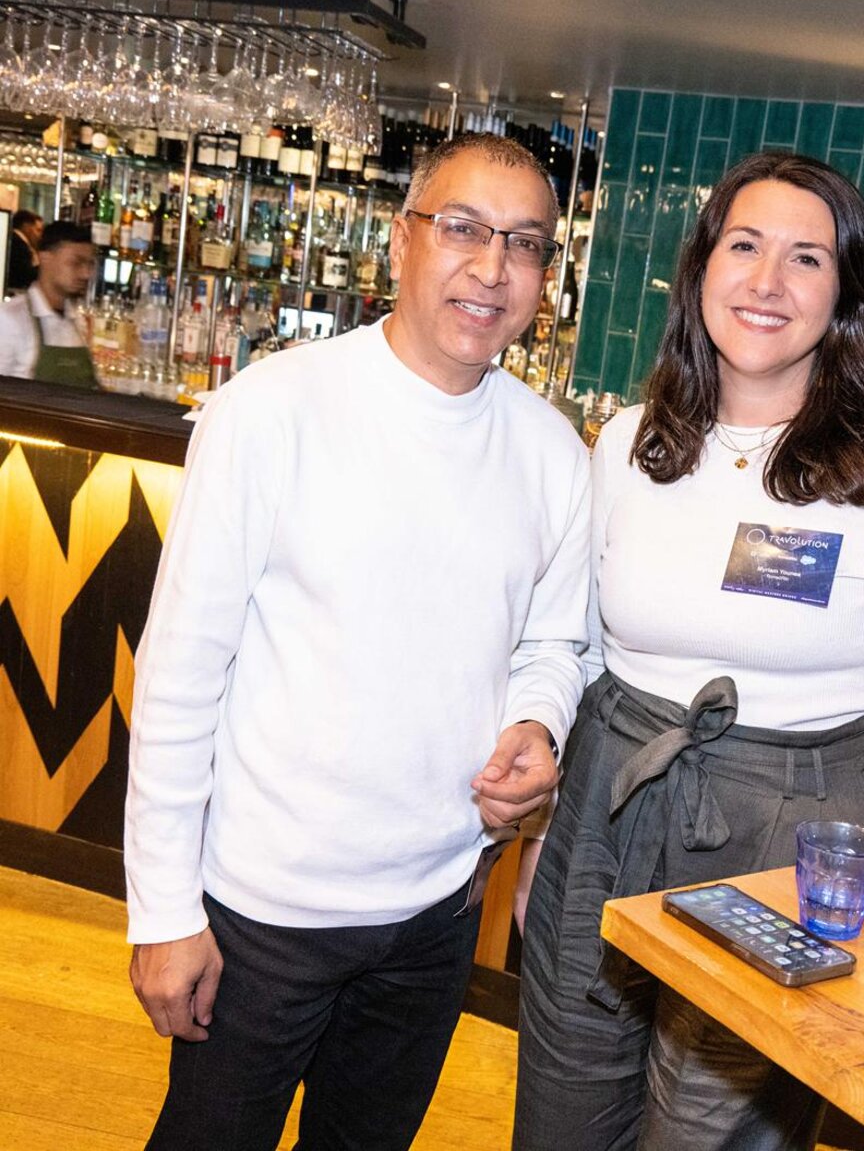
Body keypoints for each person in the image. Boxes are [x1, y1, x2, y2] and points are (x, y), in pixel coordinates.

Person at [515, 151, 864, 1151]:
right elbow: (586, 646)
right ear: (702, 268)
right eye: (744, 246)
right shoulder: (629, 445)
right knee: (566, 1101)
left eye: (806, 258)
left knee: (717, 1126)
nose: (767, 281)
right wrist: (544, 843)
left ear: (847, 292)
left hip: (792, 831)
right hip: (608, 806)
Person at [125, 132, 591, 1151]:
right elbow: (180, 671)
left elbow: (556, 644)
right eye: (463, 229)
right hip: (261, 910)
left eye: (524, 244)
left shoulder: (554, 452)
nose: (492, 267)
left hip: (436, 910)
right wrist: (162, 910)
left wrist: (536, 722)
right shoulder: (271, 411)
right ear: (400, 241)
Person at [0, 220, 97, 386]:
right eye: (76, 263)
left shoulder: (77, 321)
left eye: (90, 264)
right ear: (45, 258)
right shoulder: (9, 318)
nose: (86, 274)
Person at [7, 208, 43, 291]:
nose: (40, 235)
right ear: (26, 226)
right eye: (38, 230)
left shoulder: (16, 241)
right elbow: (24, 273)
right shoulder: (18, 244)